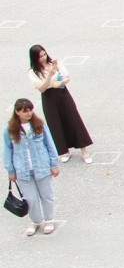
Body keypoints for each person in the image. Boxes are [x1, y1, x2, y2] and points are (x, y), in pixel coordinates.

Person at [27, 46, 93, 164]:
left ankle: (84, 150)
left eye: (44, 54)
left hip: (62, 93)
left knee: (73, 119)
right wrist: (49, 75)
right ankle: (64, 151)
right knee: (55, 123)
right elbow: (41, 88)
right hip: (48, 97)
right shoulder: (33, 72)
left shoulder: (54, 64)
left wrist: (61, 81)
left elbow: (67, 77)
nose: (43, 58)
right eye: (40, 56)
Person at [4, 98, 60, 236]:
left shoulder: (39, 124)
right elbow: (7, 150)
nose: (28, 113)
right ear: (17, 112)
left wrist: (54, 164)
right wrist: (10, 170)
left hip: (42, 166)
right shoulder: (10, 129)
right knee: (31, 198)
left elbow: (50, 144)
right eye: (25, 111)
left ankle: (49, 220)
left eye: (30, 110)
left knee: (46, 195)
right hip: (22, 169)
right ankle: (36, 221)